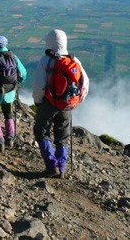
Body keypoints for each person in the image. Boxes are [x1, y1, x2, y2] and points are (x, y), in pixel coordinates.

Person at [32, 29, 89, 178]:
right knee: (62, 136)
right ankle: (61, 168)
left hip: (48, 103)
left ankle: (51, 166)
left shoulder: (46, 60)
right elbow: (85, 84)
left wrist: (38, 102)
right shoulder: (75, 61)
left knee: (41, 132)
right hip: (67, 105)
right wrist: (75, 101)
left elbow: (39, 86)